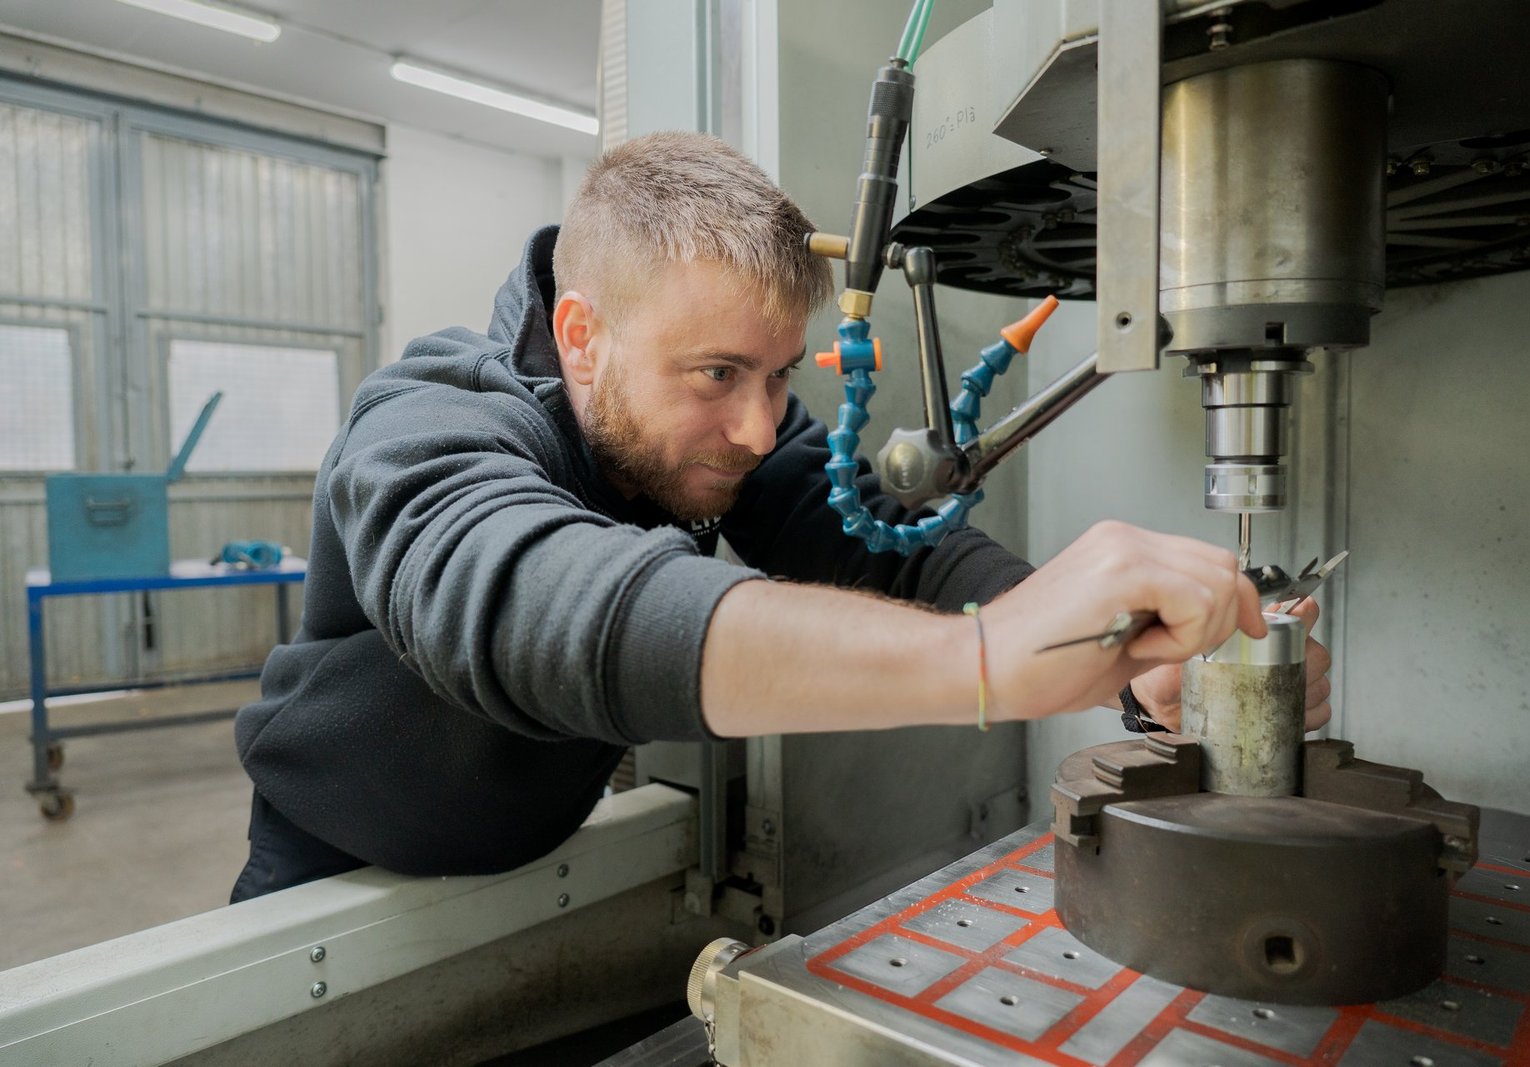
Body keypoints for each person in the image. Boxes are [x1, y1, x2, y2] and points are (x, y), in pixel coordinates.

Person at [229, 131, 1331, 902]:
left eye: (778, 374)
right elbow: (541, 603)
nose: (758, 427)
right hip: (329, 884)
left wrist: (1126, 661)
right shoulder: (424, 421)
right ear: (580, 337)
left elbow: (887, 545)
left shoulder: (721, 432)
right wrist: (985, 660)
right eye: (715, 372)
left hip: (530, 872)